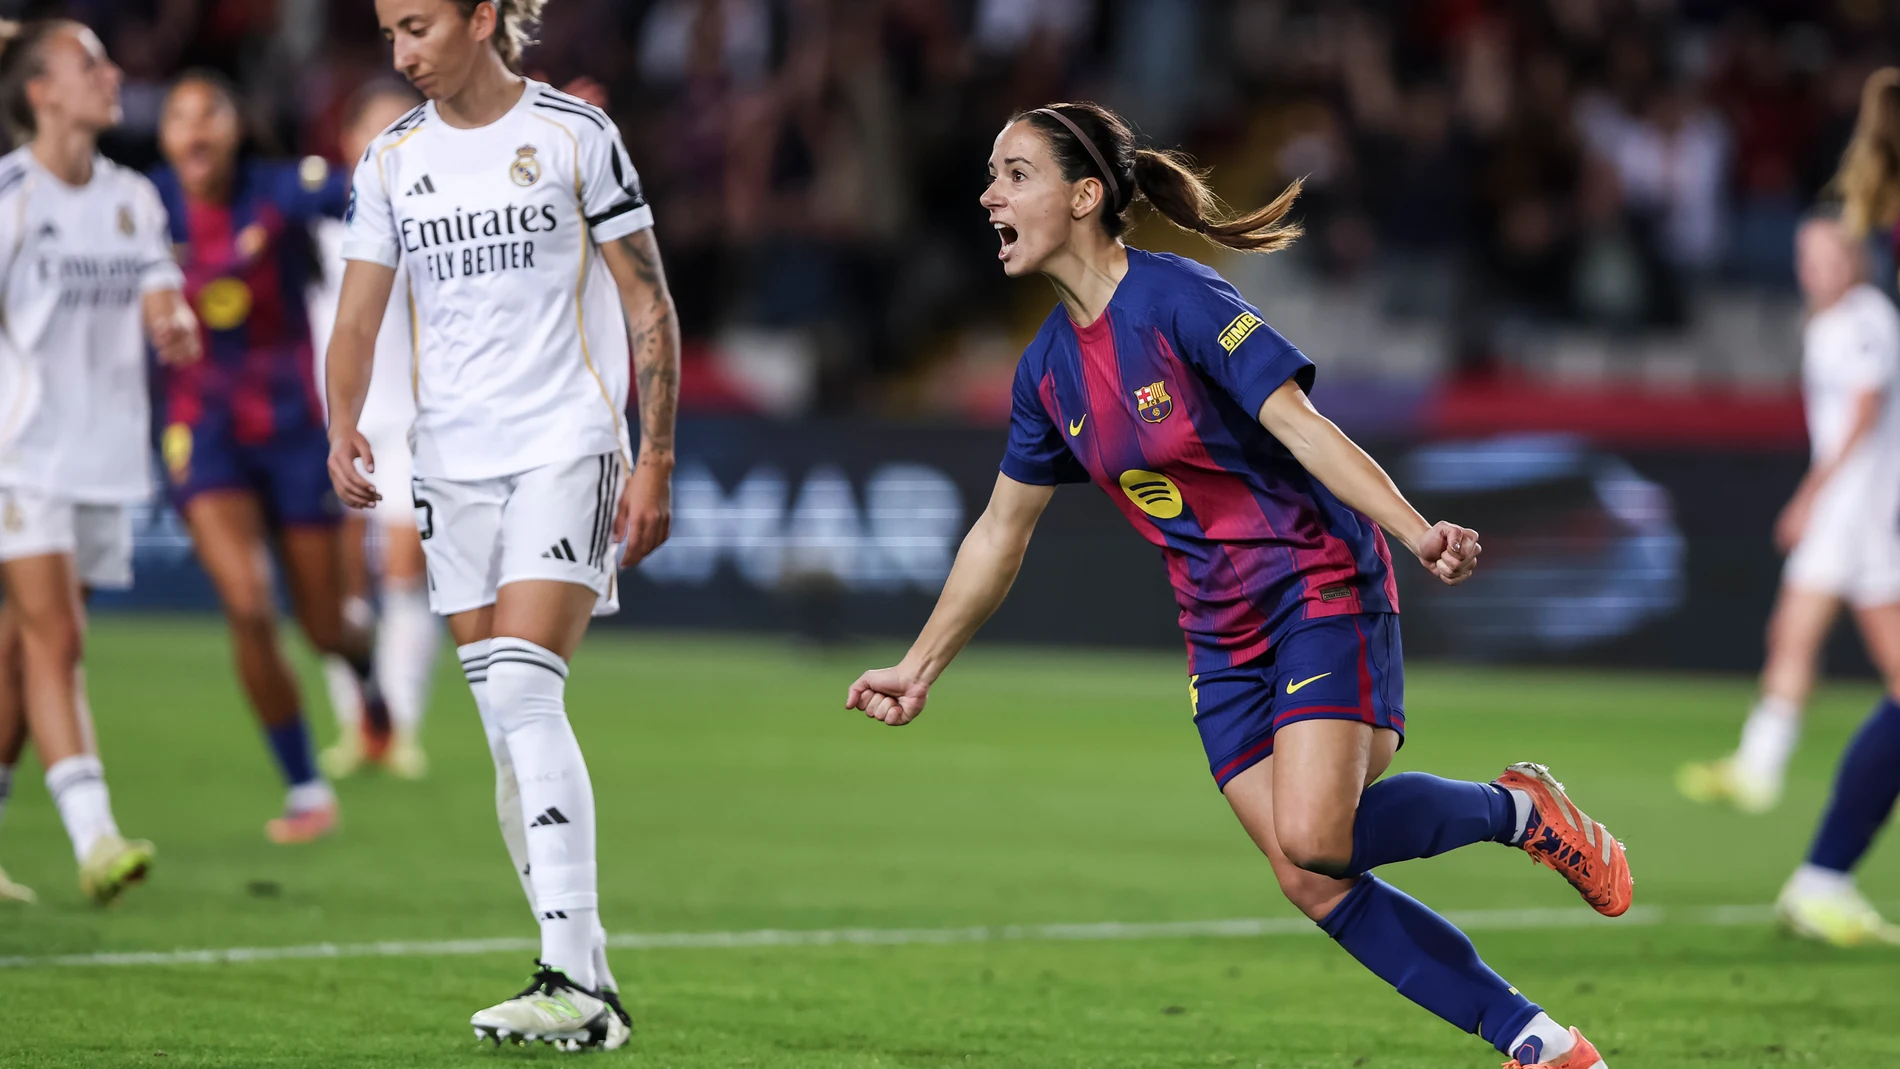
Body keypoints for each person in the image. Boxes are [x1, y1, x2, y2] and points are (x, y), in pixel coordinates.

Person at [845, 102, 1628, 1069]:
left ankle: (1517, 810)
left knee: (1314, 832)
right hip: (1218, 632)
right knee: (1310, 876)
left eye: (1013, 174)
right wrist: (920, 666)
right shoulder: (1046, 371)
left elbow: (1302, 425)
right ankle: (1540, 1042)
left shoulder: (1181, 300)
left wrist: (1419, 531)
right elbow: (1000, 531)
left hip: (1316, 581)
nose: (987, 194)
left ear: (1085, 196)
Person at [327, 0, 676, 1050]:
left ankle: (568, 974)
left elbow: (648, 300)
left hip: (564, 440)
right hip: (450, 463)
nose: (402, 52)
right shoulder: (391, 161)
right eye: (390, 31)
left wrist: (653, 452)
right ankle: (591, 985)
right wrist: (341, 422)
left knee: (526, 685)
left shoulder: (574, 135)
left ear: (484, 17)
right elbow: (357, 313)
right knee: (501, 726)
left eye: (420, 25)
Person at [149, 71, 388, 844]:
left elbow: (365, 198)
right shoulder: (141, 206)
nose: (195, 128)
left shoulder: (282, 190)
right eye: (180, 116)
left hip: (290, 428)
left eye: (210, 111)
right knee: (248, 603)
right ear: (165, 138)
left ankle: (363, 656)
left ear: (237, 125)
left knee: (323, 627)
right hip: (201, 429)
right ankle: (307, 788)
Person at [0, 18, 198, 903]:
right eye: (88, 63)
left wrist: (175, 318)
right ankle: (96, 836)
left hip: (105, 454)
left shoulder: (133, 196)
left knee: (21, 648)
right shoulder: (9, 197)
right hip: (20, 453)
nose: (112, 73)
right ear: (40, 92)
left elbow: (162, 284)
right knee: (58, 641)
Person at [308, 80, 437, 781]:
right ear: (349, 139)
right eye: (379, 130)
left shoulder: (436, 219)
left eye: (406, 128)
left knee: (404, 570)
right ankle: (360, 721)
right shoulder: (315, 227)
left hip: (412, 424)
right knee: (342, 587)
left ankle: (403, 727)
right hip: (336, 424)